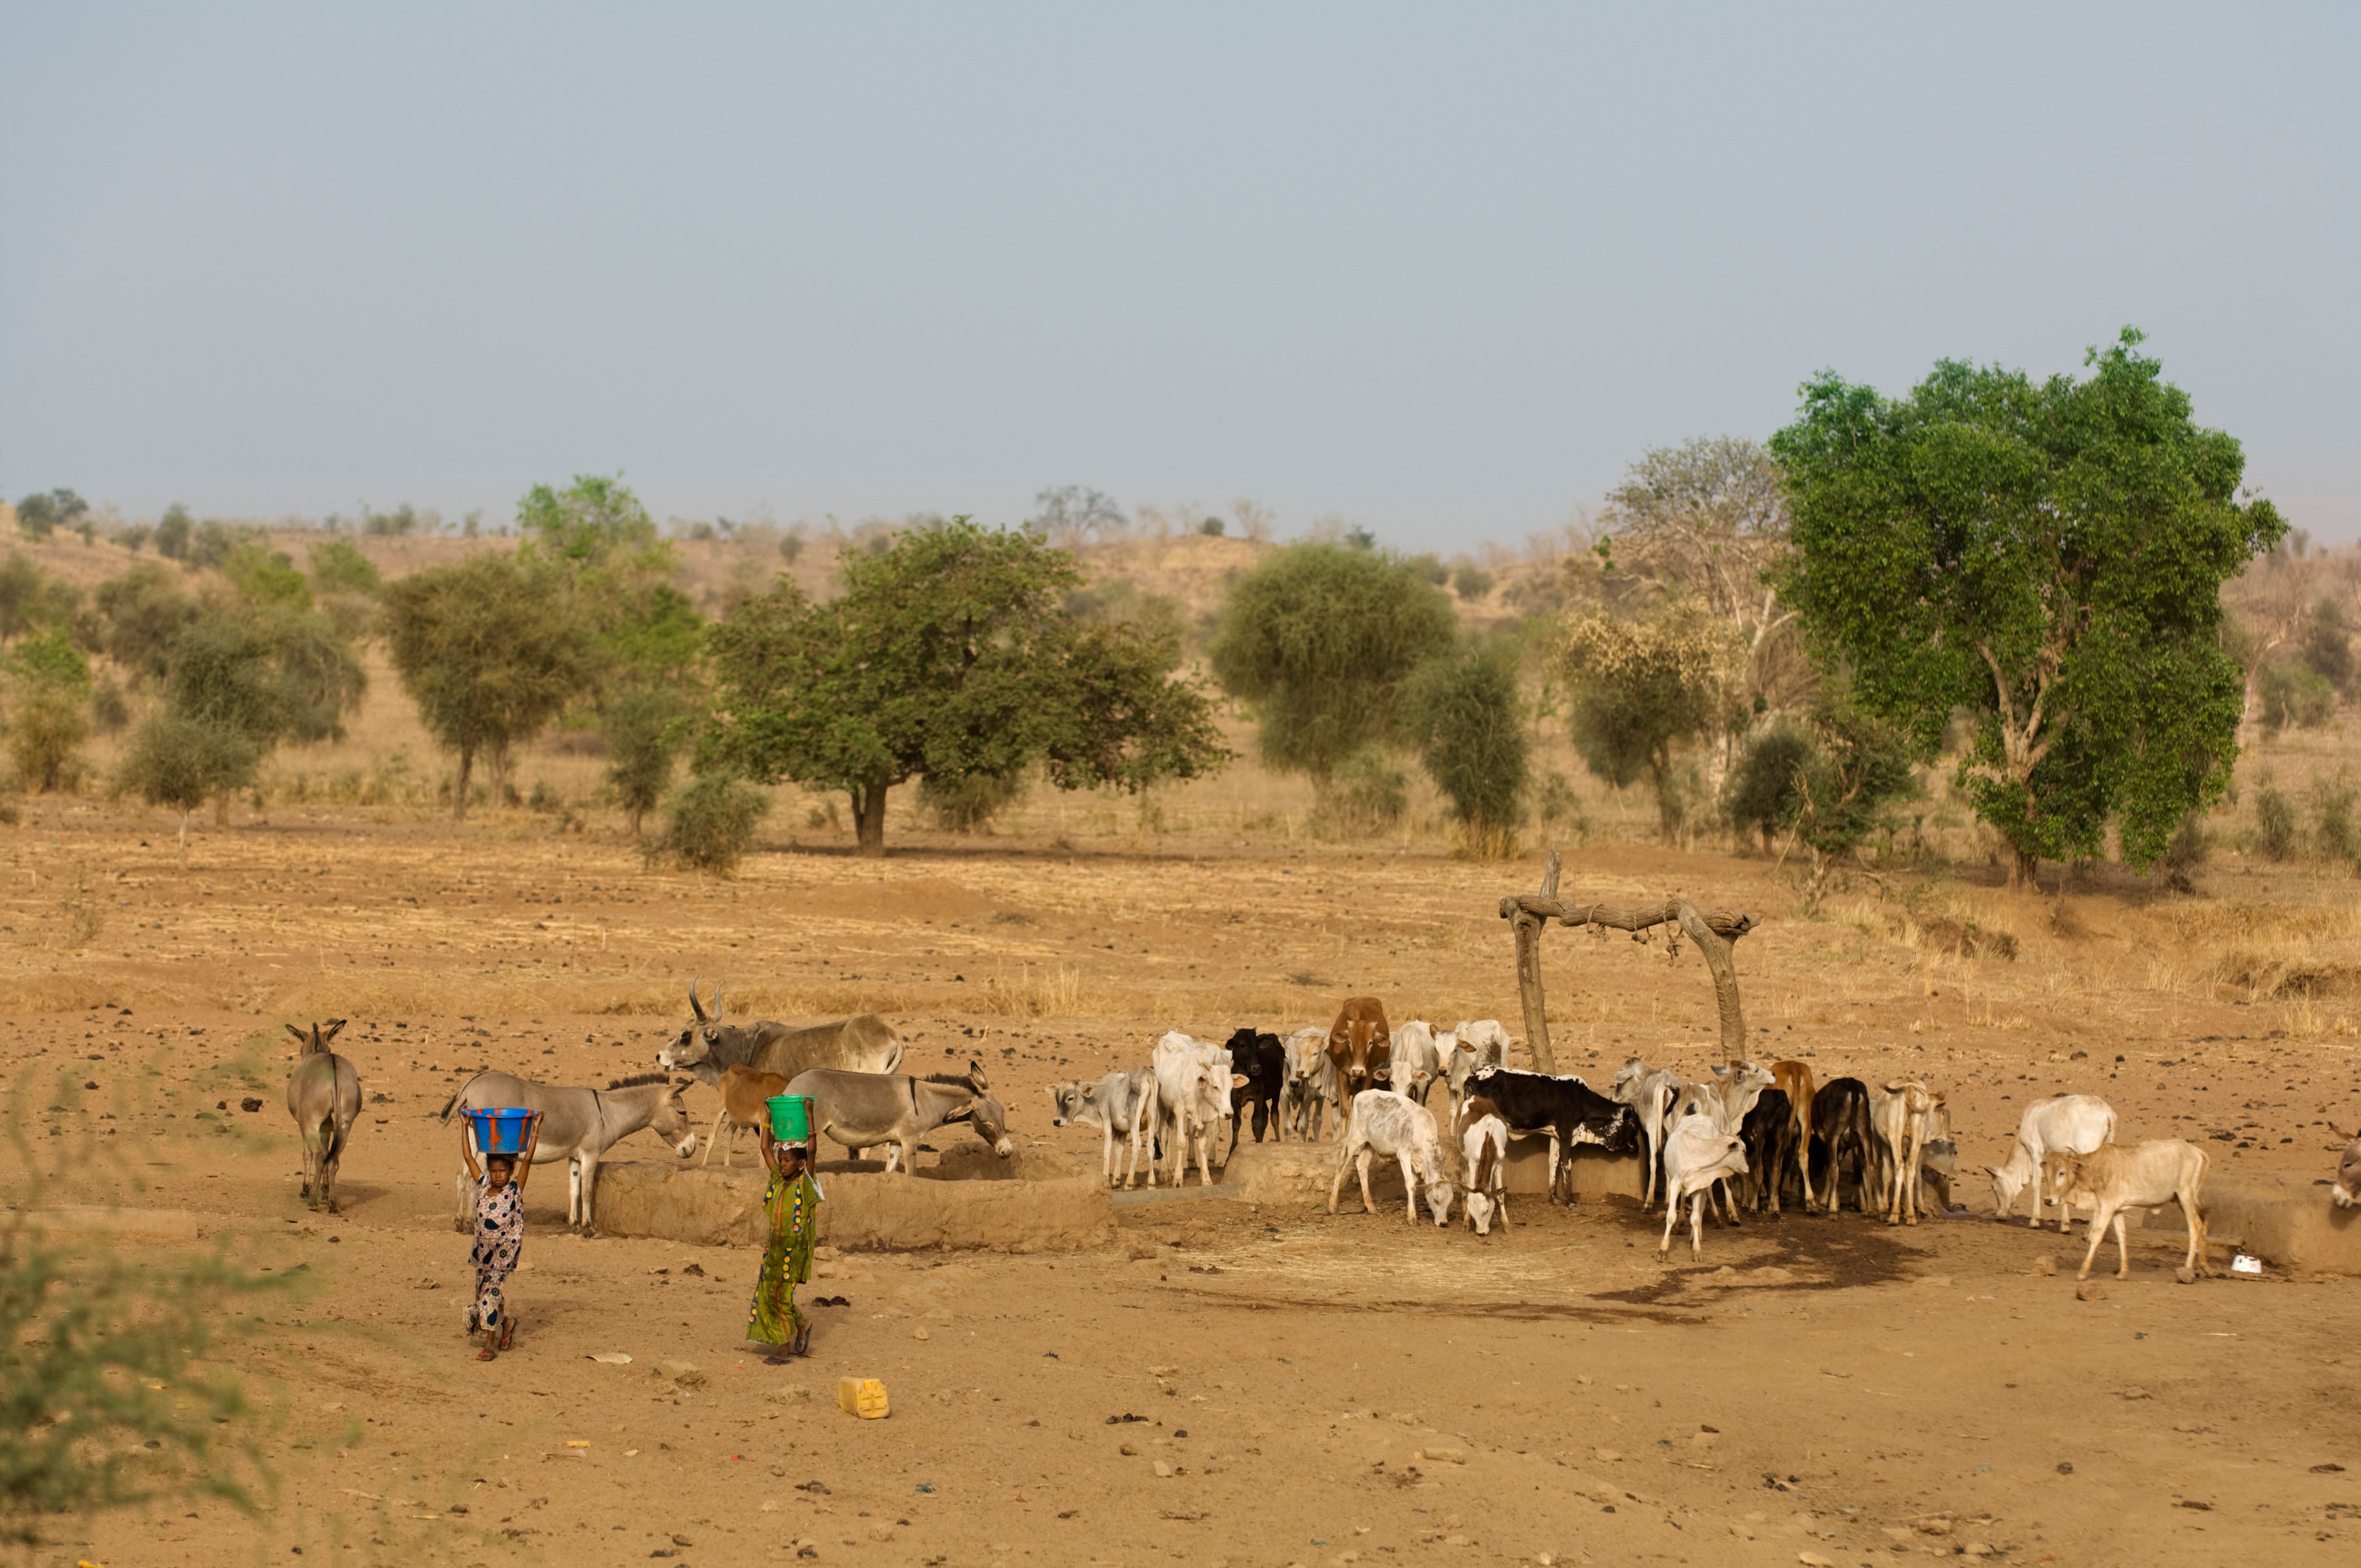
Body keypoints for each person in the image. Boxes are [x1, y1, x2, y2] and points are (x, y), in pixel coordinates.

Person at [460, 1111, 540, 1362]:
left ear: (509, 1172)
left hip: (504, 1252)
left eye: (502, 1171)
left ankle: (489, 1343)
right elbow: (467, 1155)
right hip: (482, 1251)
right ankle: (507, 1323)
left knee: (491, 1293)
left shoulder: (515, 1189)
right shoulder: (483, 1184)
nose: (497, 1175)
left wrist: (535, 1129)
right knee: (482, 1294)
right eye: (493, 1170)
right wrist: (466, 1128)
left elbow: (527, 1160)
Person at [747, 1134, 823, 1364]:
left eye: (787, 1160)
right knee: (768, 1295)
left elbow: (811, 1152)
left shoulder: (805, 1184)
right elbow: (764, 1147)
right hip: (774, 1250)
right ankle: (801, 1324)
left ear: (800, 1164)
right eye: (780, 1159)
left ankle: (784, 1349)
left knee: (780, 1298)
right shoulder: (778, 1181)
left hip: (793, 1252)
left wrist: (809, 1117)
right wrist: (768, 1119)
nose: (781, 1164)